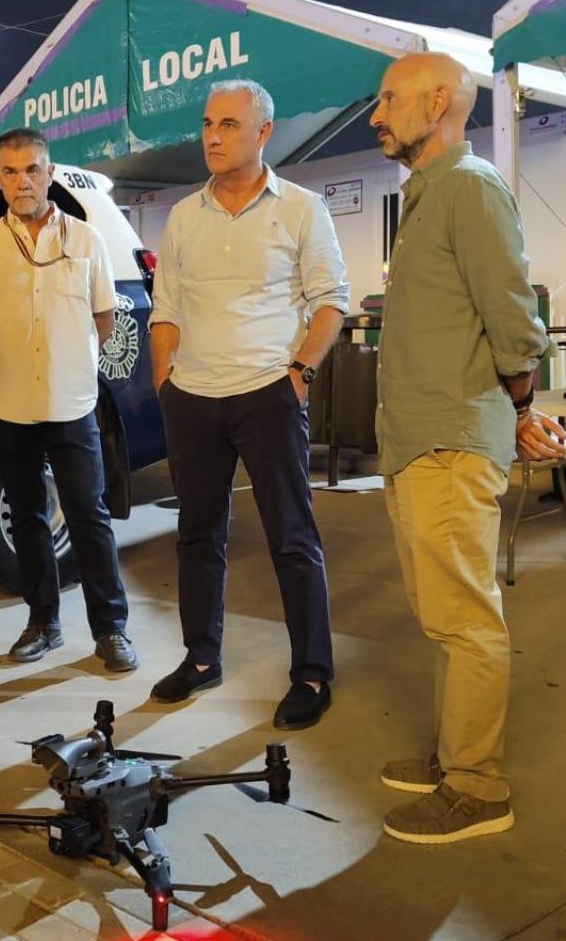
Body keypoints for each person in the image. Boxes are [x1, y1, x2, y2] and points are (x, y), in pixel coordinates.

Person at [366, 52, 566, 845]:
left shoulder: (471, 187)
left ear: (438, 100)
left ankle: (478, 787)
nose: (376, 114)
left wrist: (519, 403)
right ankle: (457, 756)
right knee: (444, 616)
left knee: (467, 619)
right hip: (419, 439)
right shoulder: (427, 196)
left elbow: (511, 314)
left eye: (389, 99)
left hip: (449, 438)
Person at [147, 79, 347, 730]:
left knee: (292, 537)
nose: (212, 136)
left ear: (264, 132)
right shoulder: (183, 215)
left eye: (229, 125)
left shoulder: (301, 208)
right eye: (208, 123)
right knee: (197, 537)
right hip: (193, 399)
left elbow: (329, 303)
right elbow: (166, 309)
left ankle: (312, 674)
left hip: (268, 392)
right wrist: (165, 383)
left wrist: (299, 373)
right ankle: (201, 660)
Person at [0, 128, 138, 673]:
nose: (23, 181)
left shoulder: (86, 240)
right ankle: (43, 623)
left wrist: (65, 356)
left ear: (50, 172)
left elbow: (104, 319)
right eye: (10, 172)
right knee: (29, 518)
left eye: (33, 169)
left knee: (90, 514)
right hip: (7, 402)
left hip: (72, 401)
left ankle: (110, 629)